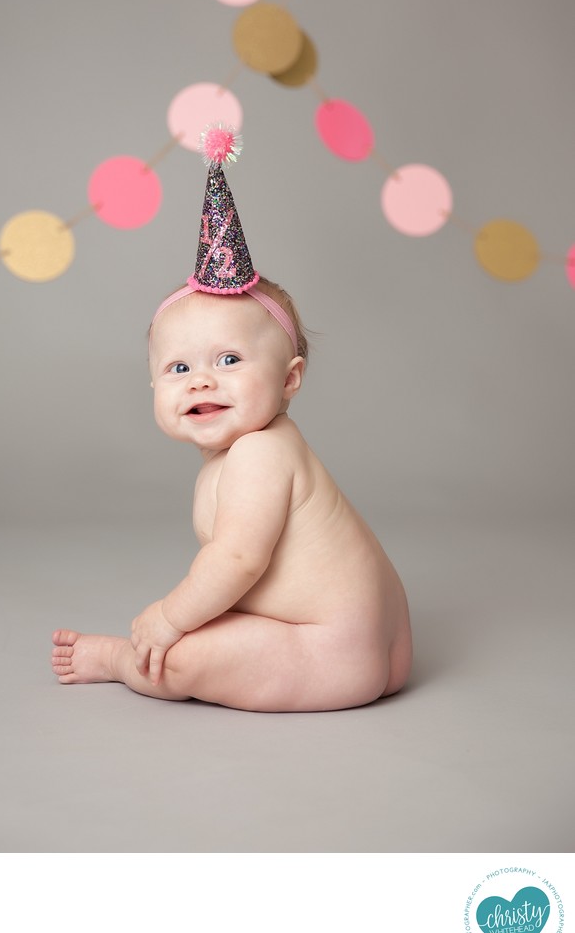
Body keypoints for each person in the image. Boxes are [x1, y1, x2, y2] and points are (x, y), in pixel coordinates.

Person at [51, 128, 412, 712]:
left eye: (229, 360)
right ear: (154, 385)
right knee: (207, 632)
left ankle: (118, 660)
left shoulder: (259, 453)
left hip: (333, 650)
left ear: (289, 379)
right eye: (179, 367)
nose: (201, 380)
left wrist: (169, 617)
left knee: (176, 657)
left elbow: (238, 561)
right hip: (373, 641)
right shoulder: (269, 447)